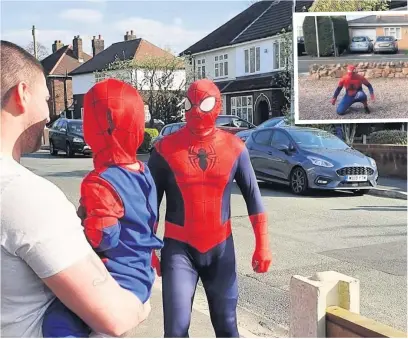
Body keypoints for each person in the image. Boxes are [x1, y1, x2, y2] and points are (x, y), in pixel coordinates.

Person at [0, 40, 150, 337]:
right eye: (46, 100)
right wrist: (142, 305)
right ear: (22, 95)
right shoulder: (25, 196)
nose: (49, 116)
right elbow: (115, 317)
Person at [148, 79, 272, 338]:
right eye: (189, 103)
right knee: (176, 330)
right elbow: (150, 203)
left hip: (220, 249)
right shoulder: (164, 149)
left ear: (217, 105)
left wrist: (263, 243)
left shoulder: (235, 148)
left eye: (203, 103)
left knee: (227, 327)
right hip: (179, 250)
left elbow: (253, 197)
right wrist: (148, 249)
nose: (195, 110)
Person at [41, 78, 164, 337]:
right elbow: (146, 224)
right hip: (141, 275)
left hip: (114, 280)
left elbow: (105, 236)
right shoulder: (143, 172)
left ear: (99, 125)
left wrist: (78, 226)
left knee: (57, 320)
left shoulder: (100, 182)